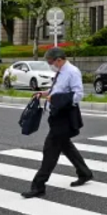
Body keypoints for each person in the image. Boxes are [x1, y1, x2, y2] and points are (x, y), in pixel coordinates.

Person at [22, 48, 93, 198]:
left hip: (64, 117)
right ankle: (84, 172)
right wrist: (44, 94)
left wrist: (55, 99)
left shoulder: (72, 72)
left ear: (59, 60)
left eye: (50, 62)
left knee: (50, 150)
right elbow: (57, 90)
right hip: (56, 116)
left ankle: (38, 186)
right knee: (66, 146)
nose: (50, 65)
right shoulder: (61, 71)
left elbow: (78, 94)